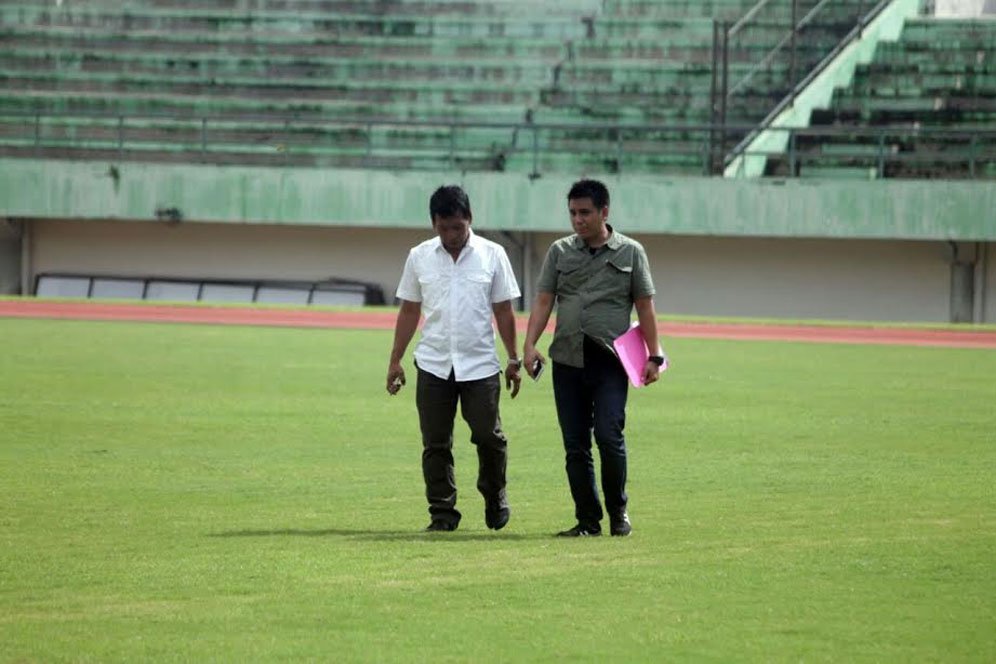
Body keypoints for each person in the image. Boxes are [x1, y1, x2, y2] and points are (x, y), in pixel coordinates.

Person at [522, 179, 663, 537]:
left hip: (610, 361)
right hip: (567, 359)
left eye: (585, 212)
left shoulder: (631, 252)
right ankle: (587, 520)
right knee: (575, 446)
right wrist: (529, 345)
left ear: (604, 212)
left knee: (608, 435)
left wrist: (655, 356)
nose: (577, 220)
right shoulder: (559, 252)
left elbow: (645, 306)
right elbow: (543, 301)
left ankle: (619, 512)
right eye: (572, 212)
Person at [386, 185, 522, 533]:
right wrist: (396, 360)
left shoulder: (493, 255)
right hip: (433, 364)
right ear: (433, 223)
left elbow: (504, 310)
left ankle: (495, 496)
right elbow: (409, 310)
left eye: (457, 228)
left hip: (480, 365)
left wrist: (514, 359)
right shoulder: (419, 256)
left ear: (470, 220)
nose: (451, 235)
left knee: (489, 437)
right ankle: (442, 514)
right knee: (435, 443)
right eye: (444, 228)